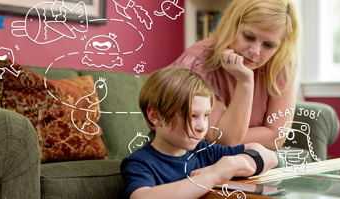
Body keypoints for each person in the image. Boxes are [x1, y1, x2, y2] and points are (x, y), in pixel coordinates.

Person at [120, 66, 278, 199]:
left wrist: (236, 164)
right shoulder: (140, 162)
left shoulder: (205, 151)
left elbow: (270, 157)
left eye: (206, 116)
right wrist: (212, 176)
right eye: (192, 116)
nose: (202, 127)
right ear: (155, 116)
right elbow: (141, 196)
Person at [170, 0, 302, 151]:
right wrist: (245, 82)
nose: (255, 51)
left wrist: (235, 137)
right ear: (232, 23)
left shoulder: (279, 63)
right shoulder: (197, 63)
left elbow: (276, 138)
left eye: (268, 45)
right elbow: (221, 139)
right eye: (249, 37)